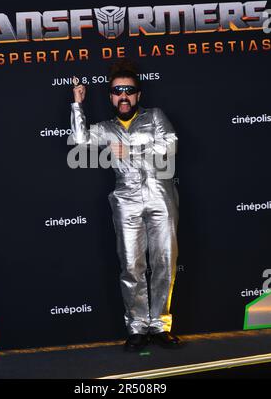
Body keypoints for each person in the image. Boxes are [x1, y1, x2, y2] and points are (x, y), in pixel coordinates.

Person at [68, 61, 180, 351]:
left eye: (129, 91)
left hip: (161, 196)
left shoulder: (155, 116)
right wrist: (78, 105)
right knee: (131, 266)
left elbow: (169, 145)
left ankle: (160, 326)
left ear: (138, 95)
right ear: (110, 96)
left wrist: (130, 149)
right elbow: (79, 141)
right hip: (126, 201)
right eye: (118, 91)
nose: (123, 96)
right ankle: (137, 328)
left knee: (164, 262)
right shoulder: (106, 128)